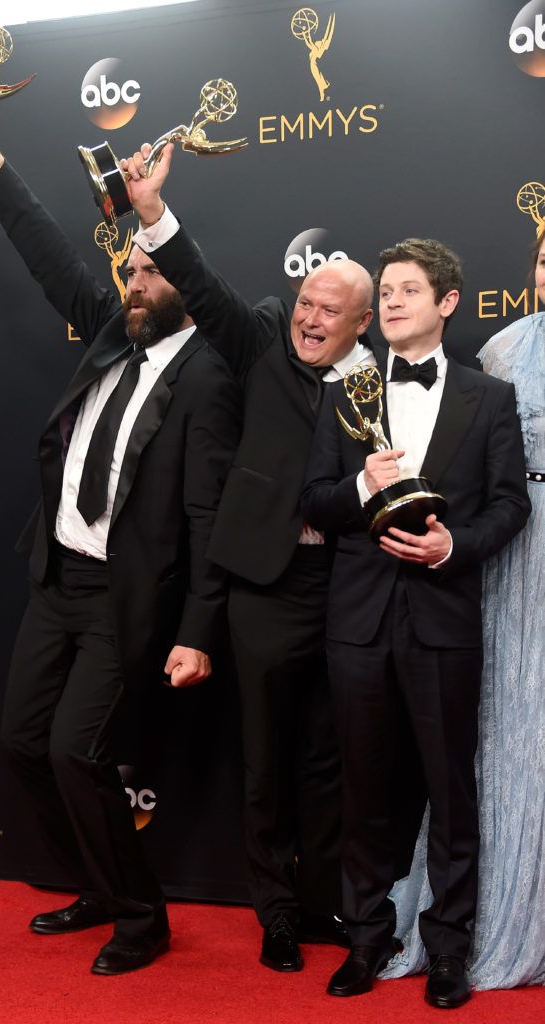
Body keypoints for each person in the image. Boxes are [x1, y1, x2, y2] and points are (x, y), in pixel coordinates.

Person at [0, 91, 241, 975]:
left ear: (188, 285)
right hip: (57, 579)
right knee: (21, 743)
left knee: (79, 749)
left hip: (125, 601)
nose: (134, 283)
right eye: (131, 272)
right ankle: (100, 885)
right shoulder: (111, 333)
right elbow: (45, 252)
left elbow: (202, 516)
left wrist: (195, 633)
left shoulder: (208, 378)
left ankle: (142, 917)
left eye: (150, 274)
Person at [119, 142, 375, 972]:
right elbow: (205, 288)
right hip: (264, 588)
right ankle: (271, 912)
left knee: (326, 762)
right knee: (264, 758)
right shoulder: (259, 339)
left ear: (359, 324)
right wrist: (153, 214)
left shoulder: (384, 380)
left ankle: (318, 904)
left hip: (345, 589)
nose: (309, 318)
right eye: (304, 301)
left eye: (327, 311)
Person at [302, 238, 531, 1008]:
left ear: (448, 304)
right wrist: (359, 485)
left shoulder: (488, 398)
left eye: (408, 290)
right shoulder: (345, 393)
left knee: (449, 790)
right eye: (387, 290)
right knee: (363, 789)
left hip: (443, 618)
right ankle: (364, 940)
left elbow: (512, 505)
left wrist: (451, 547)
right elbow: (314, 503)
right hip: (359, 622)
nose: (392, 301)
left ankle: (447, 951)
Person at [383, 229, 545, 990]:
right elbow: (494, 482)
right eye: (543, 257)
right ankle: (470, 916)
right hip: (505, 563)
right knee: (494, 732)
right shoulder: (505, 348)